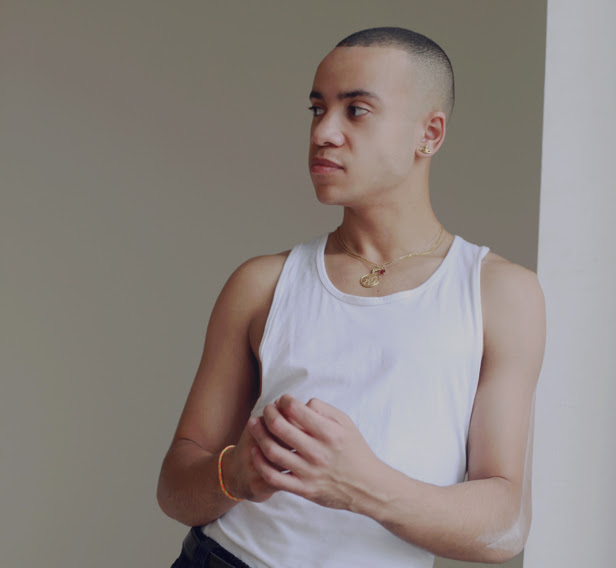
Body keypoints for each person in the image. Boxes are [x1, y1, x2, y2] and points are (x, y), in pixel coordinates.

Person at [157, 26, 546, 568]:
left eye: (356, 110)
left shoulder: (501, 294)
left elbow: (504, 528)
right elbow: (175, 489)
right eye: (317, 109)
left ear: (429, 133)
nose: (323, 132)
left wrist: (363, 485)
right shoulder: (261, 284)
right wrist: (235, 474)